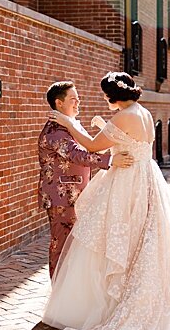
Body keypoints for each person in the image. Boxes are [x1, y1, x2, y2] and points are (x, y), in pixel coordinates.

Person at [39, 72, 170, 330]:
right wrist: (98, 125)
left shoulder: (122, 117)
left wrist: (68, 123)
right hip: (147, 178)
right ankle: (131, 297)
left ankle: (115, 307)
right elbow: (123, 141)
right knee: (145, 239)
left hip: (127, 183)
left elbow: (93, 146)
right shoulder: (144, 112)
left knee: (115, 239)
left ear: (112, 97)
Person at [37, 81, 132, 278]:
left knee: (74, 245)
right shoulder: (56, 131)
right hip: (62, 198)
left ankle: (69, 289)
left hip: (76, 196)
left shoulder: (68, 126)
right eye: (73, 98)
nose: (78, 101)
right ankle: (59, 291)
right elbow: (78, 155)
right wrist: (112, 160)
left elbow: (91, 147)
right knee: (61, 245)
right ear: (59, 103)